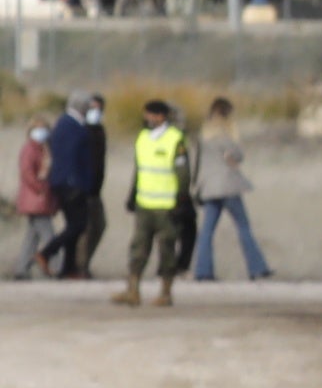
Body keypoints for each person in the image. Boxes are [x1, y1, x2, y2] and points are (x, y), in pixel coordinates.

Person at [118, 97, 192, 307]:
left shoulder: (175, 139)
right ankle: (133, 290)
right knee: (138, 248)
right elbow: (139, 169)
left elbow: (183, 173)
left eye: (151, 114)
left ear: (161, 116)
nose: (147, 118)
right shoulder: (142, 137)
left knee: (166, 249)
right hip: (144, 204)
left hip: (167, 206)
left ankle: (166, 292)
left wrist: (182, 199)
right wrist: (132, 195)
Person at [192, 99, 271, 282]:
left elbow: (198, 163)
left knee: (206, 231)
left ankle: (203, 271)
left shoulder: (203, 135)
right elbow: (238, 155)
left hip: (209, 188)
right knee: (243, 227)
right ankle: (257, 268)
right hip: (228, 186)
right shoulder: (225, 133)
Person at [48, 93, 106, 280]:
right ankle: (50, 255)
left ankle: (69, 268)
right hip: (74, 185)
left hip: (86, 185)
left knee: (80, 226)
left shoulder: (90, 129)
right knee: (78, 225)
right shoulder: (72, 126)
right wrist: (75, 183)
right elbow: (71, 158)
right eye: (90, 107)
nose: (93, 112)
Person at [13, 110, 54, 279]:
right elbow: (27, 173)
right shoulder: (30, 149)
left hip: (37, 199)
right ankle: (57, 266)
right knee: (49, 236)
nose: (41, 131)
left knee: (32, 237)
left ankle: (21, 269)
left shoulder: (41, 149)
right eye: (38, 128)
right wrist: (41, 188)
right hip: (35, 199)